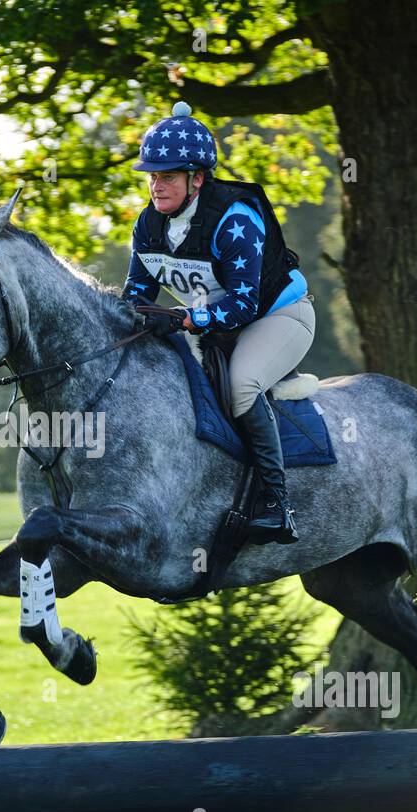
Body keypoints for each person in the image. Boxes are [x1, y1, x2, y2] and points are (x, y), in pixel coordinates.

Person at [121, 101, 315, 545]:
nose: (156, 185)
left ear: (197, 179)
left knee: (243, 384)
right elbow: (136, 296)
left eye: (167, 176)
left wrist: (188, 318)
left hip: (277, 316)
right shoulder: (147, 226)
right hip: (210, 327)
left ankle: (277, 504)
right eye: (152, 175)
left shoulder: (235, 219)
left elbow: (245, 304)